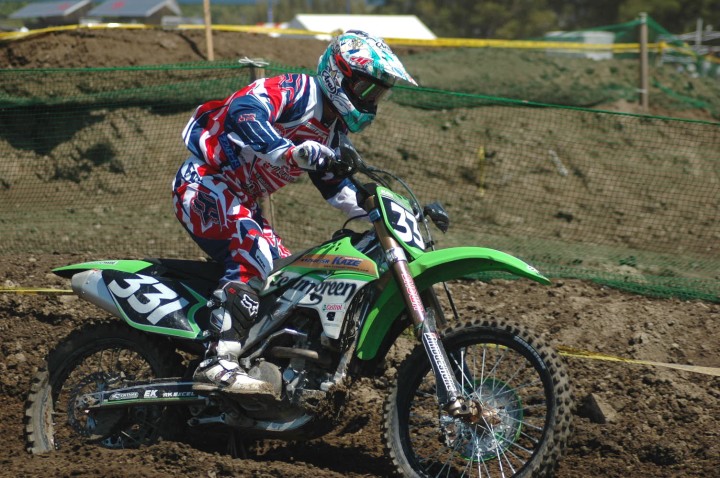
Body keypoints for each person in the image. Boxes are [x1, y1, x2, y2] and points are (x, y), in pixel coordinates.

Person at [172, 30, 417, 396]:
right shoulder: (299, 91)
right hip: (205, 182)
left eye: (378, 93)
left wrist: (388, 214)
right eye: (366, 89)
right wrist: (286, 150)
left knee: (285, 279)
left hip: (242, 201)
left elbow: (338, 189)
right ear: (339, 74)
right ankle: (216, 362)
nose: (371, 100)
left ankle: (261, 363)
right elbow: (243, 110)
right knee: (253, 253)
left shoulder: (331, 133)